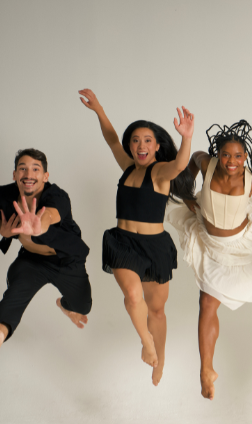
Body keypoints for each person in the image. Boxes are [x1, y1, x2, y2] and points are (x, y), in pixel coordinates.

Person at [167, 120, 252, 400]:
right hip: (210, 243)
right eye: (226, 155)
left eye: (238, 156)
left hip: (241, 245)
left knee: (208, 301)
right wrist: (188, 197)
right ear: (217, 155)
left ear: (245, 158)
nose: (232, 161)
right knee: (206, 303)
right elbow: (191, 160)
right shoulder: (206, 164)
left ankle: (206, 369)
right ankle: (206, 370)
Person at [79, 88, 195, 386]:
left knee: (156, 309)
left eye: (147, 140)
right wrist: (100, 110)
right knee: (132, 296)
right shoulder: (127, 166)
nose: (140, 145)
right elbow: (112, 139)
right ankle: (147, 343)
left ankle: (161, 358)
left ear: (157, 146)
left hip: (154, 246)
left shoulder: (159, 172)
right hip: (122, 243)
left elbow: (180, 165)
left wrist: (186, 137)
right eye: (136, 140)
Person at [0, 149, 92, 354]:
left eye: (36, 169)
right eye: (22, 169)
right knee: (15, 293)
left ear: (45, 176)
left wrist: (39, 227)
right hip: (31, 261)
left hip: (66, 261)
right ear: (15, 174)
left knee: (83, 307)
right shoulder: (0, 195)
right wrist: (2, 229)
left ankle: (64, 305)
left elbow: (51, 215)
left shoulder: (57, 196)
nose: (28, 174)